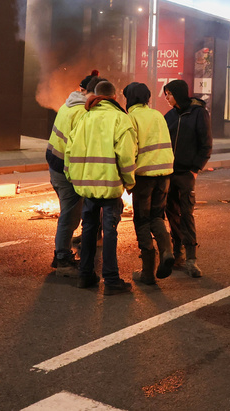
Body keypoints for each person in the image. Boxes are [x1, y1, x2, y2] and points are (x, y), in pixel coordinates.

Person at [65, 80, 137, 295]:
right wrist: (129, 181)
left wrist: (73, 177)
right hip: (110, 185)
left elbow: (70, 150)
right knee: (110, 231)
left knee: (88, 228)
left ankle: (85, 275)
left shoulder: (84, 117)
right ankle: (112, 280)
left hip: (86, 187)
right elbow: (126, 155)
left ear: (96, 96)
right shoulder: (120, 119)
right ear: (115, 97)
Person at [43, 71, 96, 277]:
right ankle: (62, 259)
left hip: (55, 165)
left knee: (70, 212)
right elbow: (79, 147)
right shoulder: (82, 112)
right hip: (66, 171)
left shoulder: (68, 105)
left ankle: (63, 254)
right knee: (70, 215)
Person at [123, 82, 175, 285]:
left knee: (142, 220)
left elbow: (130, 150)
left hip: (144, 176)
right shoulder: (157, 115)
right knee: (157, 216)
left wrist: (128, 180)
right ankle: (167, 251)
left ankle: (147, 272)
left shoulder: (131, 118)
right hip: (165, 173)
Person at [162, 79, 212, 278]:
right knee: (171, 213)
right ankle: (177, 253)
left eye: (169, 94)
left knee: (186, 214)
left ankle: (191, 259)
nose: (166, 98)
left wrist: (195, 169)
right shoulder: (169, 116)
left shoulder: (198, 113)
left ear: (178, 94)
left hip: (186, 173)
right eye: (166, 94)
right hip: (168, 173)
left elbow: (206, 144)